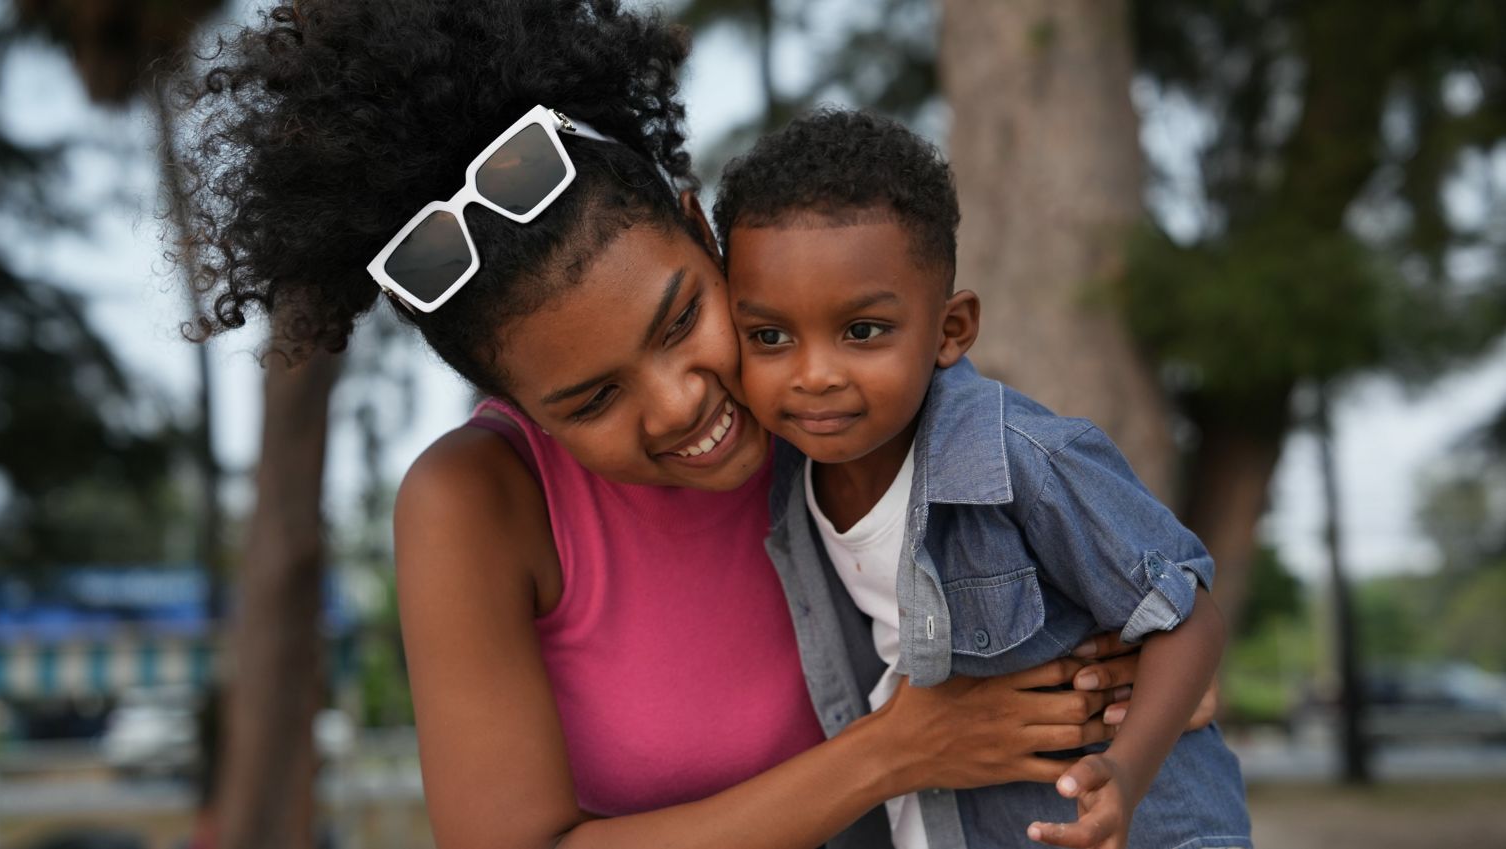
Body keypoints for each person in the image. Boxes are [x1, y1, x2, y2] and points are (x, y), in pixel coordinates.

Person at [171, 2, 1218, 847]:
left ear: (697, 220)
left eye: (682, 320)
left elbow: (1146, 638)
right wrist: (898, 752)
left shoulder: (840, 410)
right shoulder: (476, 504)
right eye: (589, 401)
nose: (679, 403)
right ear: (513, 405)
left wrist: (1118, 694)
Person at [713, 108, 1252, 849]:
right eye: (769, 336)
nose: (813, 374)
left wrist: (1124, 773)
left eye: (862, 331)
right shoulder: (785, 485)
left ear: (950, 329)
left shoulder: (1022, 458)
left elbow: (1187, 618)